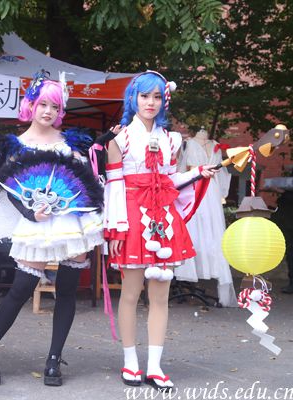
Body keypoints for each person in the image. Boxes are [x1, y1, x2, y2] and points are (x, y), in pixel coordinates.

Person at [0, 72, 105, 387]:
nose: (48, 111)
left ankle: (53, 360)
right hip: (36, 222)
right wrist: (30, 213)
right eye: (43, 104)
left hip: (71, 223)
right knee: (21, 288)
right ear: (31, 105)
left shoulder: (70, 143)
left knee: (67, 290)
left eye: (55, 106)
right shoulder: (17, 145)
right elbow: (7, 187)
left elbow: (85, 182)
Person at [104, 71, 215, 391]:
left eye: (156, 97)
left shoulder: (172, 140)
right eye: (144, 96)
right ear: (133, 98)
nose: (150, 103)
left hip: (162, 220)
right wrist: (116, 230)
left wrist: (197, 173)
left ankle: (155, 366)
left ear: (163, 101)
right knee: (129, 294)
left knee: (160, 297)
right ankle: (130, 362)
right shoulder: (119, 139)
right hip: (131, 218)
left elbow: (170, 180)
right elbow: (114, 186)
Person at [174, 128, 237, 307]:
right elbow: (181, 169)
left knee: (213, 231)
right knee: (193, 228)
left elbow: (223, 173)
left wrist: (222, 193)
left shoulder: (216, 145)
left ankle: (212, 271)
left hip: (212, 190)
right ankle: (186, 272)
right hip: (194, 187)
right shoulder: (187, 144)